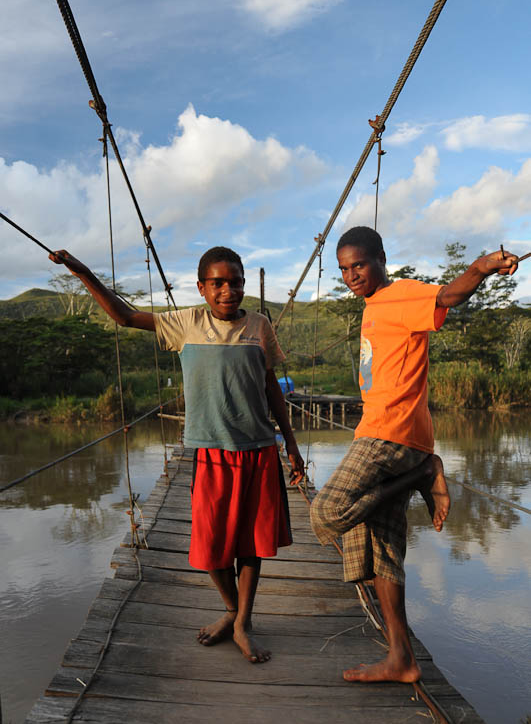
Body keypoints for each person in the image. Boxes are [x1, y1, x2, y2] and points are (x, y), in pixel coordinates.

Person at [50, 245, 305, 664]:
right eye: (218, 283)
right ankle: (230, 609)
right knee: (211, 546)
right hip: (210, 454)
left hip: (259, 451)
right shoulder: (185, 323)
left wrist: (291, 443)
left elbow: (271, 386)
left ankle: (242, 621)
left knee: (252, 545)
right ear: (202, 288)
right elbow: (126, 316)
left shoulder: (260, 325)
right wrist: (81, 271)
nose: (229, 290)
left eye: (236, 282)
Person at [310, 226, 518, 684]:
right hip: (387, 430)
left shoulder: (402, 293)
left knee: (325, 514)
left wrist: (481, 268)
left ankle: (425, 472)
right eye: (344, 269)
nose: (351, 276)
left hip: (390, 435)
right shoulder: (371, 306)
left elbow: (447, 297)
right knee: (383, 551)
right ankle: (400, 658)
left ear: (381, 259)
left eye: (359, 265)